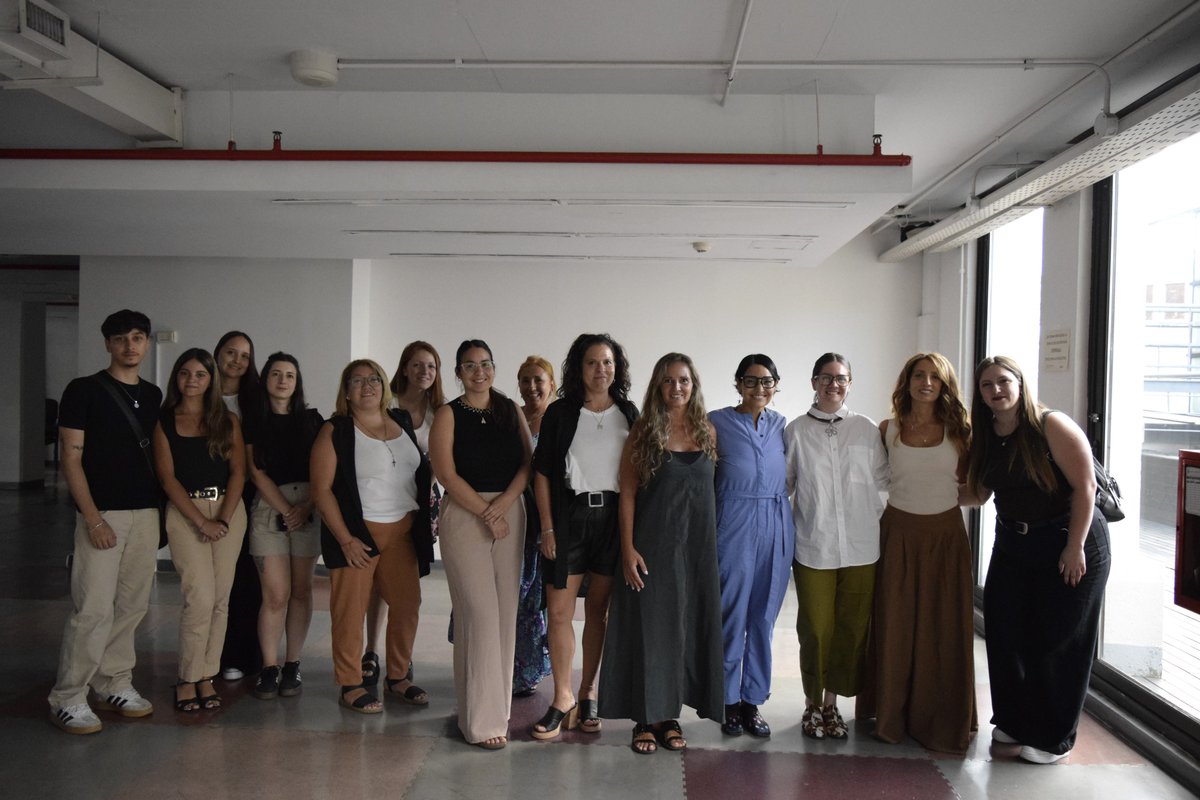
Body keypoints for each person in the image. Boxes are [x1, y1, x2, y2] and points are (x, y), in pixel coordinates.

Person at [964, 355, 1111, 764]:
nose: (996, 390)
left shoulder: (1050, 425)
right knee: (1006, 631)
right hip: (1014, 542)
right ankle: (1015, 719)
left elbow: (1085, 489)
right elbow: (978, 494)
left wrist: (1075, 547)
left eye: (1003, 381)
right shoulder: (988, 434)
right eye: (987, 385)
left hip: (1070, 540)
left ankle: (1052, 738)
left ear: (1019, 382)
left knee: (1059, 641)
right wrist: (910, 491)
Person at [599, 353, 724, 755]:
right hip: (652, 547)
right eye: (668, 381)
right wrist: (629, 548)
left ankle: (669, 715)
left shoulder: (707, 431)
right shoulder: (643, 432)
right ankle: (643, 719)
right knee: (650, 632)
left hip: (696, 551)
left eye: (684, 380)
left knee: (684, 631)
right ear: (657, 385)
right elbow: (629, 493)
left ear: (694, 384)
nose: (676, 388)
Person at [47, 310, 163, 734]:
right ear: (107, 345)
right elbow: (71, 457)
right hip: (103, 515)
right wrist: (93, 519)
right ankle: (68, 696)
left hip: (145, 513)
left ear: (147, 343)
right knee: (93, 608)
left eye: (137, 338)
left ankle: (114, 681)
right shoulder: (83, 391)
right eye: (120, 339)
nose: (130, 346)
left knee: (131, 606)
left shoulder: (153, 395)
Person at [864, 352, 976, 753]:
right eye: (919, 375)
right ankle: (892, 713)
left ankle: (942, 716)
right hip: (896, 534)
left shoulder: (961, 431)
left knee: (943, 625)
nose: (926, 382)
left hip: (945, 538)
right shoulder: (888, 429)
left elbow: (977, 491)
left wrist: (942, 500)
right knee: (895, 623)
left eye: (935, 377)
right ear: (906, 381)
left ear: (945, 385)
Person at [310, 359, 433, 714]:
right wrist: (345, 539)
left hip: (404, 531)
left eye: (374, 379)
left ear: (384, 385)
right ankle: (350, 682)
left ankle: (397, 677)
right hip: (359, 533)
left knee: (408, 605)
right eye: (357, 381)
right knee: (349, 610)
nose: (368, 386)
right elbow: (321, 490)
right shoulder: (335, 430)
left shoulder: (401, 421)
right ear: (346, 391)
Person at [531, 335, 638, 738]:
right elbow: (541, 473)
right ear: (579, 368)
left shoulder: (628, 412)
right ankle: (561, 697)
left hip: (614, 520)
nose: (600, 370)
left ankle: (588, 691)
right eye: (592, 363)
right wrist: (547, 526)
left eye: (607, 362)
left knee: (599, 611)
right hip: (569, 516)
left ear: (617, 368)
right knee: (558, 612)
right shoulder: (560, 412)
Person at [429, 340, 532, 749]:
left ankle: (495, 714)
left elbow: (528, 461)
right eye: (469, 366)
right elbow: (445, 472)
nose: (479, 372)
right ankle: (480, 722)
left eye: (485, 364)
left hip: (510, 510)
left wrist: (504, 504)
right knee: (479, 616)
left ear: (494, 367)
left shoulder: (509, 409)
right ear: (458, 372)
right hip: (464, 515)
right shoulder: (447, 413)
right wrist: (485, 511)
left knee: (505, 616)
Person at [783, 352, 888, 740]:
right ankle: (812, 703)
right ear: (813, 382)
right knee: (815, 628)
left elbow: (884, 479)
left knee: (851, 628)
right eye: (825, 378)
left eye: (841, 378)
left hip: (862, 546)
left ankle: (832, 704)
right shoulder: (795, 431)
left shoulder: (867, 429)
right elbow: (785, 486)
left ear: (849, 384)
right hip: (814, 545)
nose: (833, 384)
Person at [153, 348, 248, 713]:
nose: (191, 380)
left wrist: (222, 519)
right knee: (199, 597)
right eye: (184, 373)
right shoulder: (164, 421)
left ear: (211, 380)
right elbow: (167, 478)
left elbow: (238, 471)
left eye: (200, 374)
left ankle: (207, 675)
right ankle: (187, 677)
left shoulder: (228, 420)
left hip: (227, 511)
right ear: (176, 378)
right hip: (185, 513)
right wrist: (201, 521)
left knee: (221, 599)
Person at [709, 354, 795, 738]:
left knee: (763, 618)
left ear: (776, 385)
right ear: (738, 383)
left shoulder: (782, 426)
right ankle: (727, 702)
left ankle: (752, 701)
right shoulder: (716, 422)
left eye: (766, 381)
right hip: (733, 524)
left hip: (776, 524)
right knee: (732, 616)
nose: (759, 388)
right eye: (750, 380)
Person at [361, 341, 445, 691]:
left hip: (421, 503)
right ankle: (370, 651)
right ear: (405, 368)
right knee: (378, 584)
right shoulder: (387, 403)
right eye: (417, 365)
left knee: (405, 582)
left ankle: (401, 652)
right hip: (381, 502)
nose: (424, 372)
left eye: (431, 366)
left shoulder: (440, 411)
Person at [243, 353, 325, 699]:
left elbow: (324, 468)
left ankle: (293, 663)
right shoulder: (253, 421)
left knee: (301, 591)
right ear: (265, 380)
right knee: (275, 594)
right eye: (276, 374)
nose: (282, 381)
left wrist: (304, 507)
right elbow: (255, 472)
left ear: (297, 382)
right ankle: (269, 666)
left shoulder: (313, 420)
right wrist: (286, 509)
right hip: (268, 507)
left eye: (289, 375)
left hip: (308, 505)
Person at [213, 330, 261, 683]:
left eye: (244, 355)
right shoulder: (199, 393)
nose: (237, 361)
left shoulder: (254, 400)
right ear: (217, 355)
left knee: (245, 581)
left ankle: (242, 655)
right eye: (231, 352)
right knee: (209, 583)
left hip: (246, 497)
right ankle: (207, 656)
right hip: (204, 496)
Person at [512, 355, 554, 697]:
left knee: (535, 600)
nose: (531, 386)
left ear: (551, 384)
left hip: (545, 521)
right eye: (525, 380)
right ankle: (498, 664)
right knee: (506, 594)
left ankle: (528, 670)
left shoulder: (559, 421)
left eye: (538, 379)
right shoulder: (511, 418)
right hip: (510, 518)